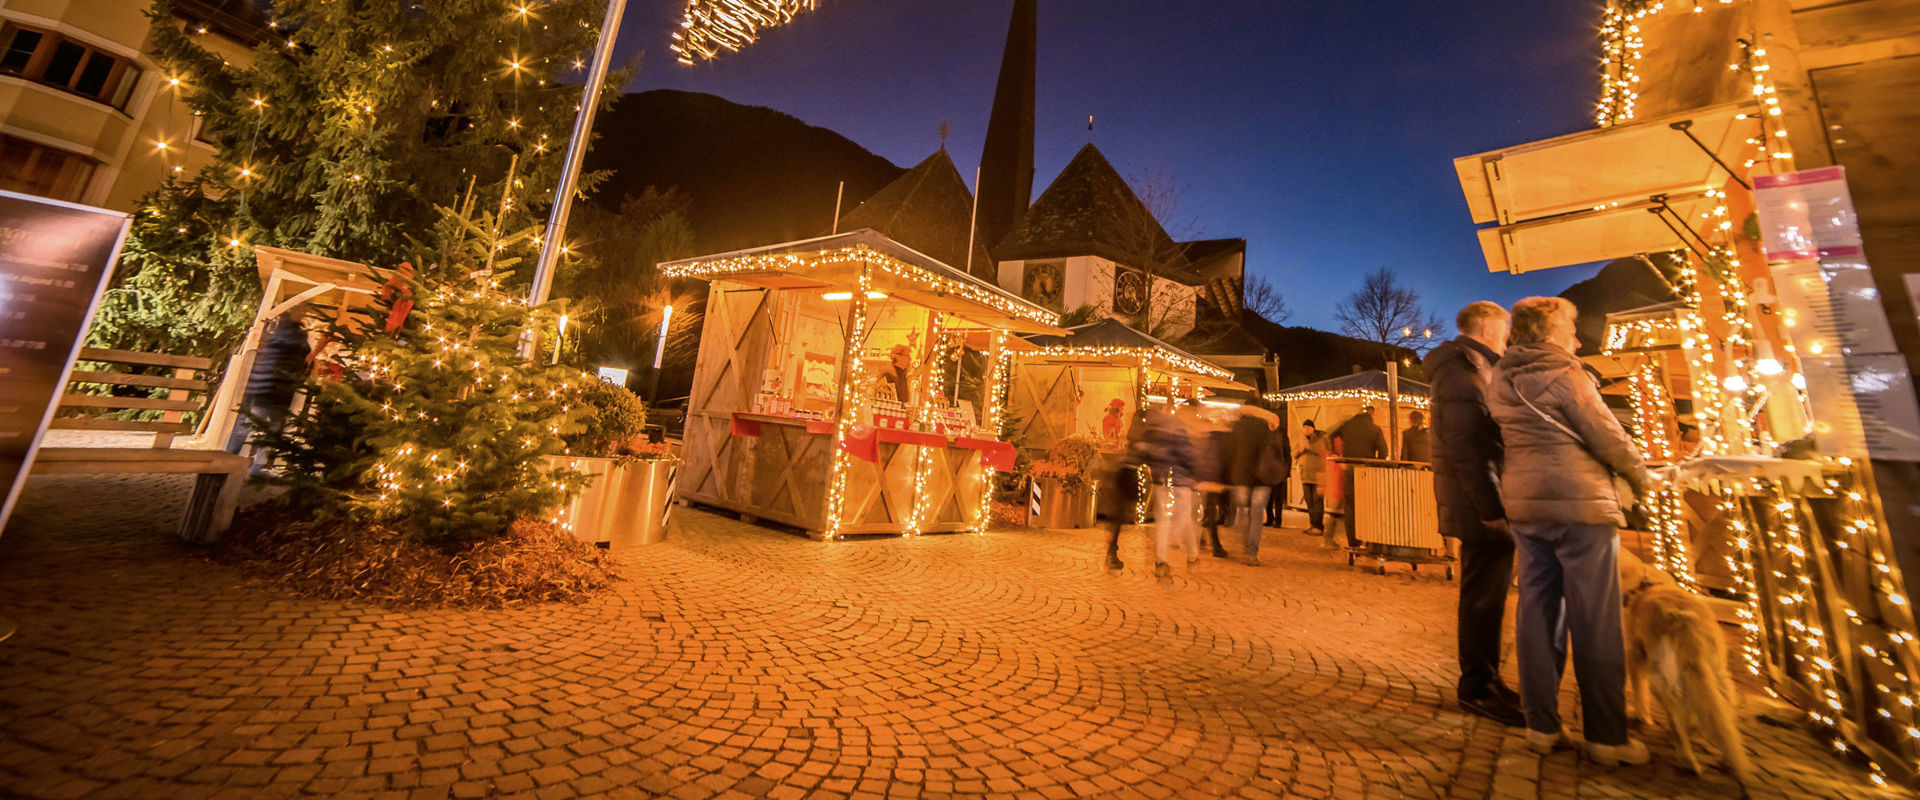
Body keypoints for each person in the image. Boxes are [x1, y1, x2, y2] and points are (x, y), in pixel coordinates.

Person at [1489, 296, 1654, 766]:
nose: (1576, 339)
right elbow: (1609, 438)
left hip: (1525, 504)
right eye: (1569, 329)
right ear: (1548, 333)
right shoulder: (1567, 374)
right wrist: (1642, 477)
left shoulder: (1501, 377)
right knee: (1596, 620)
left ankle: (1540, 725)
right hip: (1580, 506)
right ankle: (1606, 735)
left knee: (1537, 614)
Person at [1423, 300, 1523, 728]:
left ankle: (1487, 678)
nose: (1507, 339)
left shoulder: (1470, 367)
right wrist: (1493, 508)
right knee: (1483, 597)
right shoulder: (1463, 372)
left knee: (1487, 596)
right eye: (1504, 331)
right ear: (1485, 328)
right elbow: (1470, 448)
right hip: (1480, 506)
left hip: (1480, 502)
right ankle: (1478, 687)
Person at [226, 305, 313, 474]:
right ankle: (253, 465)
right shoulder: (296, 339)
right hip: (276, 390)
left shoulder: (275, 335)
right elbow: (302, 362)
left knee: (251, 426)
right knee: (267, 429)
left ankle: (231, 459)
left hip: (265, 388)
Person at [1136, 400, 1197, 578]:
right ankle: (1185, 552)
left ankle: (1161, 560)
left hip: (1159, 479)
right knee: (1181, 517)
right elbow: (1185, 454)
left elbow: (1146, 451)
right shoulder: (1178, 428)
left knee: (1163, 520)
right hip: (1176, 479)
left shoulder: (1154, 429)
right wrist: (1193, 473)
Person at [1226, 401, 1287, 565]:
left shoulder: (1237, 427)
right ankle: (1251, 552)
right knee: (1257, 514)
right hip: (1262, 477)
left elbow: (1230, 450)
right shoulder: (1267, 425)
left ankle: (1243, 543)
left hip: (1241, 476)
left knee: (1243, 512)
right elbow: (1277, 449)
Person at [1099, 408, 1149, 570]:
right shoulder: (1141, 433)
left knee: (1117, 516)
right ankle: (1111, 552)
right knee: (1119, 516)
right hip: (1127, 476)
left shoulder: (1132, 431)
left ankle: (1112, 550)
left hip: (1122, 474)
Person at [1332, 406, 1386, 547]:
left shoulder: (1348, 425)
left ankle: (1353, 541)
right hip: (1366, 470)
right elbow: (1383, 452)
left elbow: (1331, 435)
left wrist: (1337, 455)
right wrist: (1375, 466)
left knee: (1350, 506)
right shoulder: (1374, 429)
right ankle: (1368, 539)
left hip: (1349, 468)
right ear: (1372, 414)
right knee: (1367, 506)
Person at [1294, 420, 1329, 534]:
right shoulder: (1302, 439)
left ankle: (1319, 527)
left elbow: (1324, 451)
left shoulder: (1321, 438)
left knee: (1317, 502)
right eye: (1304, 427)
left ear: (1313, 428)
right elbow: (1294, 454)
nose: (1306, 430)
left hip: (1317, 475)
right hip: (1305, 475)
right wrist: (1300, 450)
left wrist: (1308, 447)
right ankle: (1312, 524)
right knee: (1309, 502)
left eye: (1308, 427)